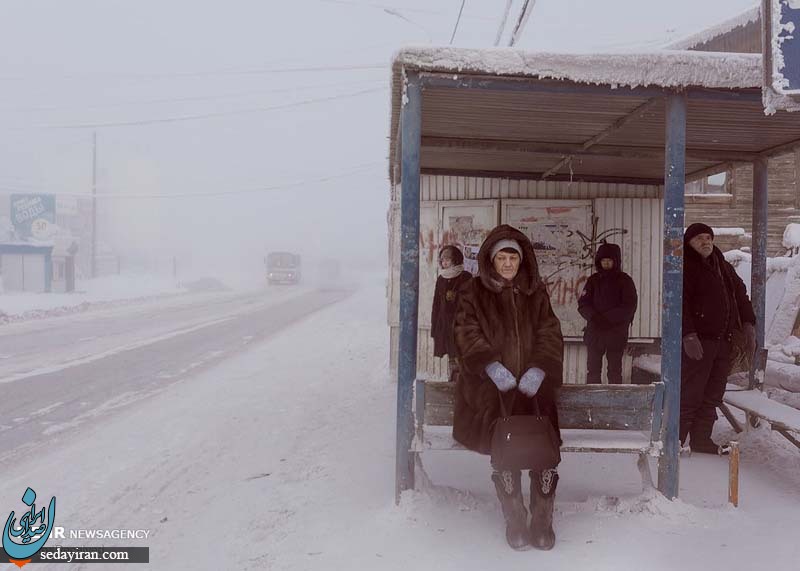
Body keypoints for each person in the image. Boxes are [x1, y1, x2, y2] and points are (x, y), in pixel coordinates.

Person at [453, 224, 564, 551]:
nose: (507, 264)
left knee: (545, 453)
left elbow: (550, 331)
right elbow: (464, 330)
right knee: (505, 454)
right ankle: (515, 520)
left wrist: (540, 367)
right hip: (490, 391)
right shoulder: (472, 292)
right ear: (490, 259)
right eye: (500, 257)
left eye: (512, 257)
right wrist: (490, 365)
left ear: (522, 260)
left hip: (534, 390)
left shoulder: (535, 290)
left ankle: (542, 522)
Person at [681, 223, 756, 454]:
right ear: (689, 243)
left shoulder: (721, 265)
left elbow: (740, 292)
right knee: (691, 392)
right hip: (699, 342)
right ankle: (675, 439)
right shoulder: (685, 266)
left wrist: (748, 322)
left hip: (723, 341)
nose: (705, 242)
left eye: (708, 237)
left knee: (713, 393)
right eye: (699, 239)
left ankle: (702, 439)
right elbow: (679, 302)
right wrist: (687, 333)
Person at [578, 242, 638, 384]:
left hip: (616, 333)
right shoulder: (593, 280)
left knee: (614, 371)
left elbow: (629, 306)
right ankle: (592, 401)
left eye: (609, 260)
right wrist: (594, 317)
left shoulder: (625, 281)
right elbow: (583, 304)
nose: (606, 263)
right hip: (595, 332)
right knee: (592, 370)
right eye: (603, 260)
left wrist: (608, 319)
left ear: (615, 261)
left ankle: (615, 401)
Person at [430, 245, 472, 382]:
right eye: (442, 260)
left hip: (462, 325)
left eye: (448, 259)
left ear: (455, 259)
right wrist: (435, 328)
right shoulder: (441, 279)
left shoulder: (466, 277)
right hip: (445, 326)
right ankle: (453, 384)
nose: (444, 263)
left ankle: (464, 384)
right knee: (451, 358)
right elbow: (436, 305)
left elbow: (472, 303)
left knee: (463, 357)